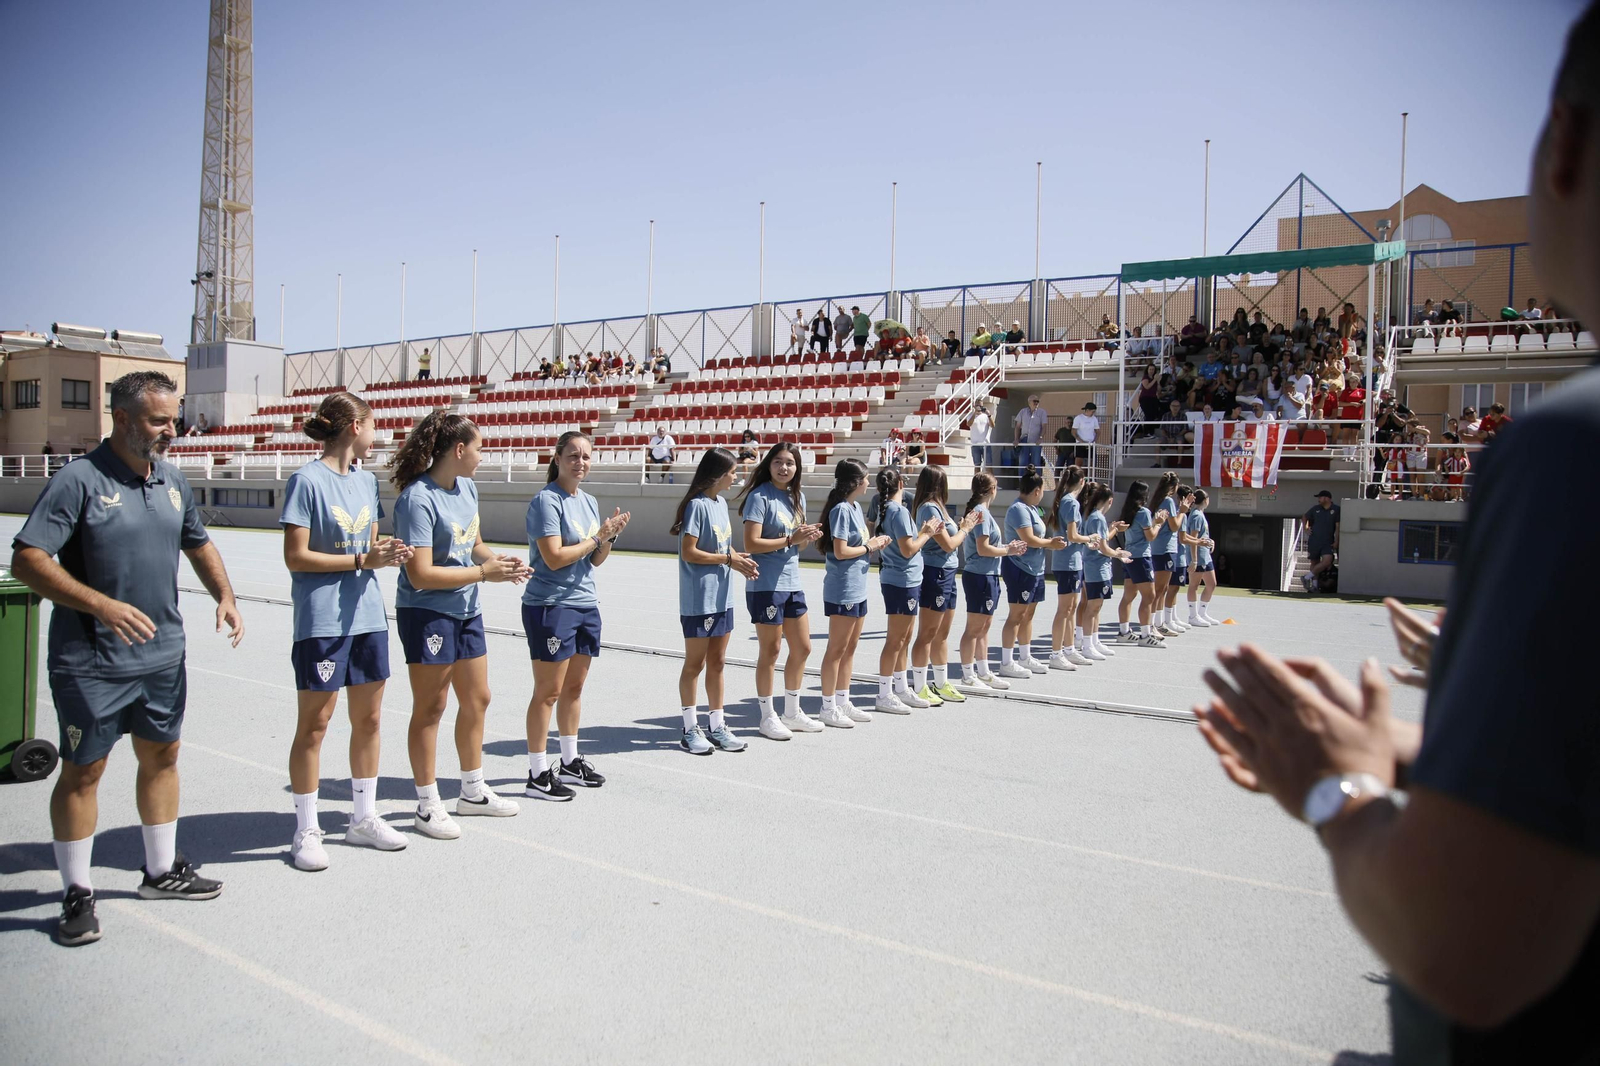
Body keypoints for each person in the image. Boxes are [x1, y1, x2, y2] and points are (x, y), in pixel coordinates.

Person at [1197, 13, 1600, 1055]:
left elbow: (1468, 946)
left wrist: (1338, 785)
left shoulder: (1567, 452)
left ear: (1562, 146)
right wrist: (1428, 749)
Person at [12, 371, 243, 945]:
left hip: (162, 656)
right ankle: (77, 892)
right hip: (91, 661)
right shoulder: (78, 480)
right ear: (121, 419)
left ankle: (160, 872)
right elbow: (28, 560)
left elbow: (198, 541)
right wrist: (100, 605)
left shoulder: (172, 480)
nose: (172, 430)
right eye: (159, 420)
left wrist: (226, 595)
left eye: (173, 418)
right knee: (84, 771)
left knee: (163, 757)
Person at [280, 392, 415, 870]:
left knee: (371, 720)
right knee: (314, 726)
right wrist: (363, 558)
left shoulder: (366, 481)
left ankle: (363, 818)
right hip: (322, 622)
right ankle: (306, 828)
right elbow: (296, 556)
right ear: (355, 425)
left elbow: (370, 541)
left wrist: (387, 550)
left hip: (367, 618)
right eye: (374, 425)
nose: (377, 435)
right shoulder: (306, 481)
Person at [388, 413, 529, 839]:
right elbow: (422, 575)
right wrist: (485, 575)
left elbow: (473, 544)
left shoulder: (466, 487)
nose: (483, 456)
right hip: (427, 611)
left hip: (466, 608)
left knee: (479, 697)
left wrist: (496, 561)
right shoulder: (417, 500)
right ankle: (427, 804)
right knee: (431, 707)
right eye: (480, 448)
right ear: (459, 450)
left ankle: (472, 791)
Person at [522, 430, 631, 800]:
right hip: (551, 605)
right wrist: (597, 538)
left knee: (574, 688)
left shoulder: (589, 500)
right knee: (548, 691)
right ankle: (537, 772)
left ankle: (569, 761)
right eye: (572, 455)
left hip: (585, 603)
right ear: (557, 458)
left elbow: (594, 559)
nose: (580, 462)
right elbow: (554, 557)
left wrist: (609, 537)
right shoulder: (546, 501)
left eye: (586, 456)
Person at [671, 448, 759, 755]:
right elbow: (690, 552)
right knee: (695, 664)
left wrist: (737, 558)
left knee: (718, 663)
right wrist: (727, 559)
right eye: (733, 472)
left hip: (723, 597)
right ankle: (689, 728)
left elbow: (723, 546)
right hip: (700, 599)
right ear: (719, 475)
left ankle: (717, 725)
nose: (736, 477)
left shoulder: (721, 503)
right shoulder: (696, 506)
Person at [739, 443, 824, 738]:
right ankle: (767, 716)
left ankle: (792, 712)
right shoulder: (759, 496)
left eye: (790, 463)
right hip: (765, 584)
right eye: (778, 462)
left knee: (802, 648)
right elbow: (751, 543)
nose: (784, 467)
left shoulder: (797, 496)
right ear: (769, 465)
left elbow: (795, 542)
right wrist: (790, 539)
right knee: (771, 650)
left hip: (792, 583)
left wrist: (805, 538)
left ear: (797, 467)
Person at [817, 459, 888, 727]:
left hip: (857, 586)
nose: (869, 483)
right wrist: (871, 546)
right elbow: (841, 551)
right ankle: (827, 707)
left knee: (850, 648)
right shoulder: (841, 510)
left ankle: (843, 700)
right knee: (836, 649)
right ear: (857, 482)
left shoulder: (856, 507)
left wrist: (874, 544)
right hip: (843, 587)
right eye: (867, 478)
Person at [874, 466, 946, 712]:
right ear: (901, 484)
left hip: (902, 579)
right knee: (896, 640)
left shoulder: (889, 510)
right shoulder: (899, 511)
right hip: (901, 580)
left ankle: (901, 688)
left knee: (902, 639)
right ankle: (885, 693)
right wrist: (926, 533)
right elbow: (908, 549)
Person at [909, 466, 982, 706]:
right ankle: (919, 685)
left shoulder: (939, 507)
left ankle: (940, 682)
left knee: (942, 633)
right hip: (935, 572)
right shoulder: (929, 508)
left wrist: (961, 528)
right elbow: (949, 544)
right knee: (928, 632)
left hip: (948, 572)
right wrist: (965, 529)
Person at [955, 472, 1027, 692]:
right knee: (974, 628)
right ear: (992, 489)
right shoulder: (980, 512)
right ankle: (968, 675)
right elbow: (983, 548)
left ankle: (983, 671)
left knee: (984, 627)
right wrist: (1008, 550)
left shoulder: (983, 512)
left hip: (989, 574)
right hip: (979, 575)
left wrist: (1007, 547)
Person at [994, 468, 1068, 678]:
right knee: (1016, 615)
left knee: (1028, 615)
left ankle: (1024, 656)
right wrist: (1051, 544)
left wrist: (1049, 543)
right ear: (1036, 490)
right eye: (1042, 490)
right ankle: (1007, 662)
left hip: (1034, 569)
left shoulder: (1033, 509)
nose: (1042, 494)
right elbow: (1028, 538)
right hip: (1020, 567)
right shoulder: (1019, 509)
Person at [1045, 466, 1100, 668]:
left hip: (1070, 561)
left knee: (1070, 608)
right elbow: (1073, 536)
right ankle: (1056, 653)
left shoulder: (1066, 501)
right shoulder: (1071, 503)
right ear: (1082, 482)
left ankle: (1068, 649)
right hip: (1068, 562)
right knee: (1065, 609)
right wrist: (1090, 538)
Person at [1075, 482, 1131, 662]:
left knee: (1096, 606)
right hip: (1096, 566)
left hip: (1097, 566)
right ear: (1110, 501)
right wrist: (1117, 553)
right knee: (1093, 607)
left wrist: (1113, 531)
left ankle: (1094, 640)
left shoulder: (1093, 516)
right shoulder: (1096, 518)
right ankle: (1087, 644)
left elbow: (1102, 539)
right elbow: (1103, 546)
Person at [1114, 479, 1168, 647]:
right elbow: (1150, 536)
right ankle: (1146, 635)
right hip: (1141, 557)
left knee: (1128, 596)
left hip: (1129, 555)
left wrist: (1153, 524)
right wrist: (1158, 524)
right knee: (1149, 596)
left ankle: (1124, 631)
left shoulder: (1127, 511)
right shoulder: (1143, 511)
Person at [1299, 490, 1339, 591]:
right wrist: (1306, 527)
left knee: (1327, 561)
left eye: (1320, 497)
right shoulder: (1315, 509)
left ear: (1326, 498)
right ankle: (1315, 586)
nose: (1319, 500)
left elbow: (1338, 527)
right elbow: (1305, 516)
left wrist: (1337, 541)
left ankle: (1306, 577)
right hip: (1314, 540)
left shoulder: (1336, 509)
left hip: (1327, 541)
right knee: (1314, 562)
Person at [1013, 394, 1048, 474]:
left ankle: (1037, 484)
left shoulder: (1042, 412)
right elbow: (1017, 427)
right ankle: (1022, 484)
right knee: (1022, 463)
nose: (1036, 403)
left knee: (1036, 463)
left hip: (1036, 440)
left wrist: (1041, 437)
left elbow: (1044, 427)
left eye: (1037, 401)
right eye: (1034, 401)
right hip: (1024, 439)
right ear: (1029, 402)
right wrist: (1016, 439)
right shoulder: (1023, 411)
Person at [1072, 402, 1100, 467]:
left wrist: (1094, 441)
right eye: (1092, 411)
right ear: (1087, 410)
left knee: (1090, 465)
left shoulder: (1094, 419)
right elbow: (1073, 431)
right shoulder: (1078, 418)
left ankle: (1089, 477)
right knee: (1078, 464)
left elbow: (1098, 431)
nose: (1093, 413)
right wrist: (1081, 441)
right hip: (1080, 444)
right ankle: (1078, 477)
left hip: (1090, 444)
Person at [968, 403, 993, 472]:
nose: (979, 408)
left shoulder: (986, 416)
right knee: (977, 466)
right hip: (975, 444)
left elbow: (993, 425)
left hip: (986, 444)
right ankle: (976, 482)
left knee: (989, 466)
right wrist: (974, 413)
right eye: (978, 406)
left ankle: (991, 482)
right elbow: (969, 424)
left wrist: (989, 415)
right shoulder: (970, 415)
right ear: (974, 406)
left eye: (981, 406)